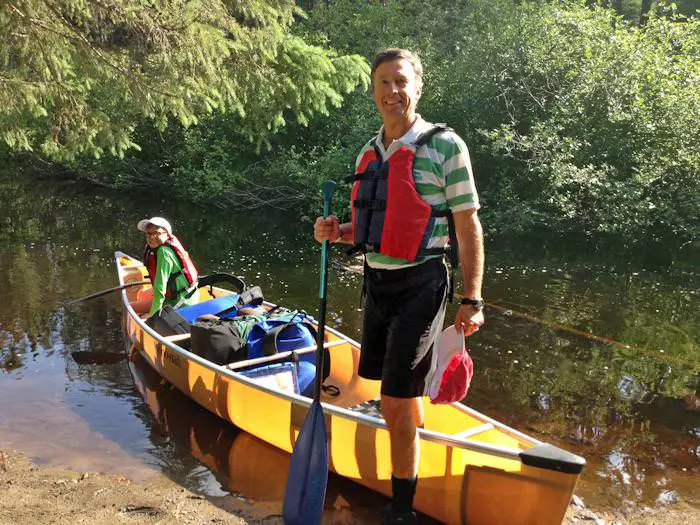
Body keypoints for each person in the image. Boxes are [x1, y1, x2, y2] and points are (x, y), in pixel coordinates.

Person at [313, 48, 485, 524]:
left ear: (418, 87)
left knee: (394, 397)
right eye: (384, 83)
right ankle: (409, 439)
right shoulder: (368, 151)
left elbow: (467, 226)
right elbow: (371, 226)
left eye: (401, 82)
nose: (393, 91)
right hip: (377, 282)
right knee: (391, 389)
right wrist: (336, 232)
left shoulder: (446, 145)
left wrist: (471, 298)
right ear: (373, 90)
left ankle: (402, 509)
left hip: (423, 283)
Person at [134, 216, 199, 317]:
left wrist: (153, 316)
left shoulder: (164, 252)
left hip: (181, 303)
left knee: (131, 308)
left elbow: (160, 289)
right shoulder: (162, 247)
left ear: (167, 233)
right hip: (184, 295)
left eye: (157, 233)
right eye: (149, 234)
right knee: (142, 293)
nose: (152, 237)